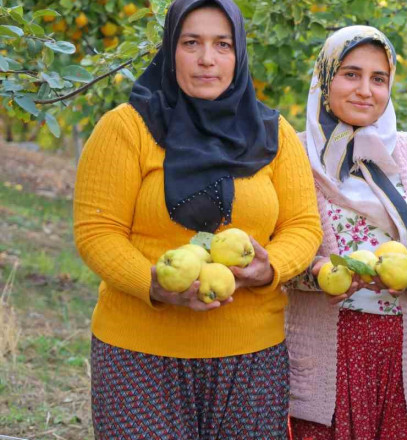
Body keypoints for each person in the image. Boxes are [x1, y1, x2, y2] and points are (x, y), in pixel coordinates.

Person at [72, 0, 323, 437]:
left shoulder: (274, 133)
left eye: (222, 44)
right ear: (171, 49)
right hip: (138, 353)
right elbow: (97, 230)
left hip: (251, 358)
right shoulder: (126, 128)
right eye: (192, 43)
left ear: (239, 53)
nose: (207, 59)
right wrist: (152, 282)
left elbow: (303, 225)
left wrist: (270, 267)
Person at [283, 26, 407, 440]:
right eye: (351, 74)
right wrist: (319, 274)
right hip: (326, 353)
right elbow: (280, 256)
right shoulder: (294, 153)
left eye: (379, 79)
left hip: (401, 350)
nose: (365, 90)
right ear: (324, 79)